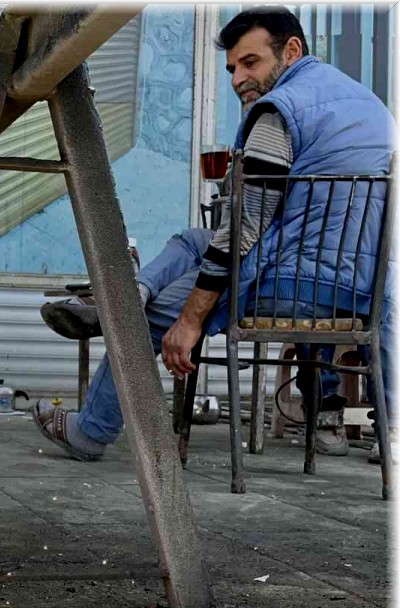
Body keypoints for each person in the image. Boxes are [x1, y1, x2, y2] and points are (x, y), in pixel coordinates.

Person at [34, 7, 394, 462]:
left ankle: (92, 427)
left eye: (250, 62)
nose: (238, 79)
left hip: (296, 281)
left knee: (154, 316)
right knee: (191, 241)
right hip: (359, 283)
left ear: (292, 50)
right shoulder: (368, 104)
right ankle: (133, 290)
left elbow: (241, 232)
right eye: (232, 68)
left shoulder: (280, 111)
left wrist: (187, 320)